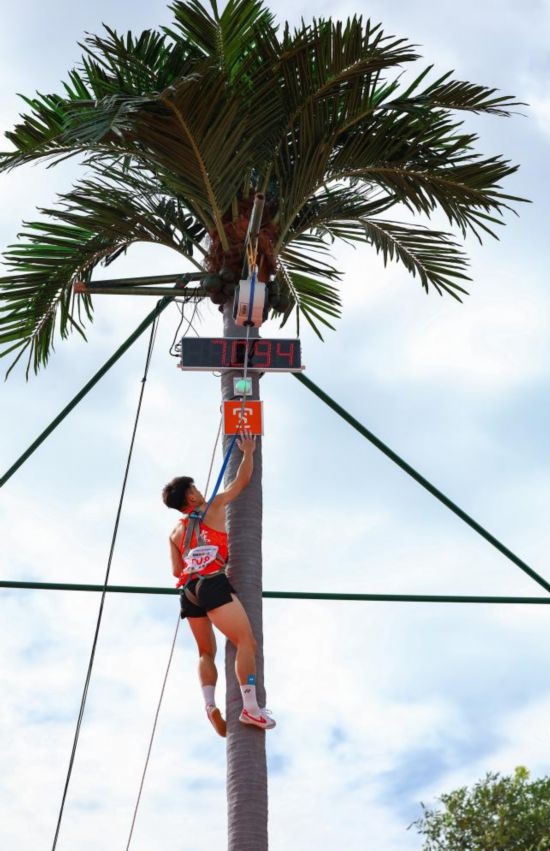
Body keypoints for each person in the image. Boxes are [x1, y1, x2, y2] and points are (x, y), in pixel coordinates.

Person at [162, 433, 276, 736]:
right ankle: (251, 709)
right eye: (195, 488)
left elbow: (176, 571)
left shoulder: (175, 532)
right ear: (190, 497)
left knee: (205, 653)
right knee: (246, 642)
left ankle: (210, 705)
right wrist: (249, 451)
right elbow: (242, 481)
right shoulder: (213, 506)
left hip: (188, 592)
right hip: (212, 583)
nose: (199, 490)